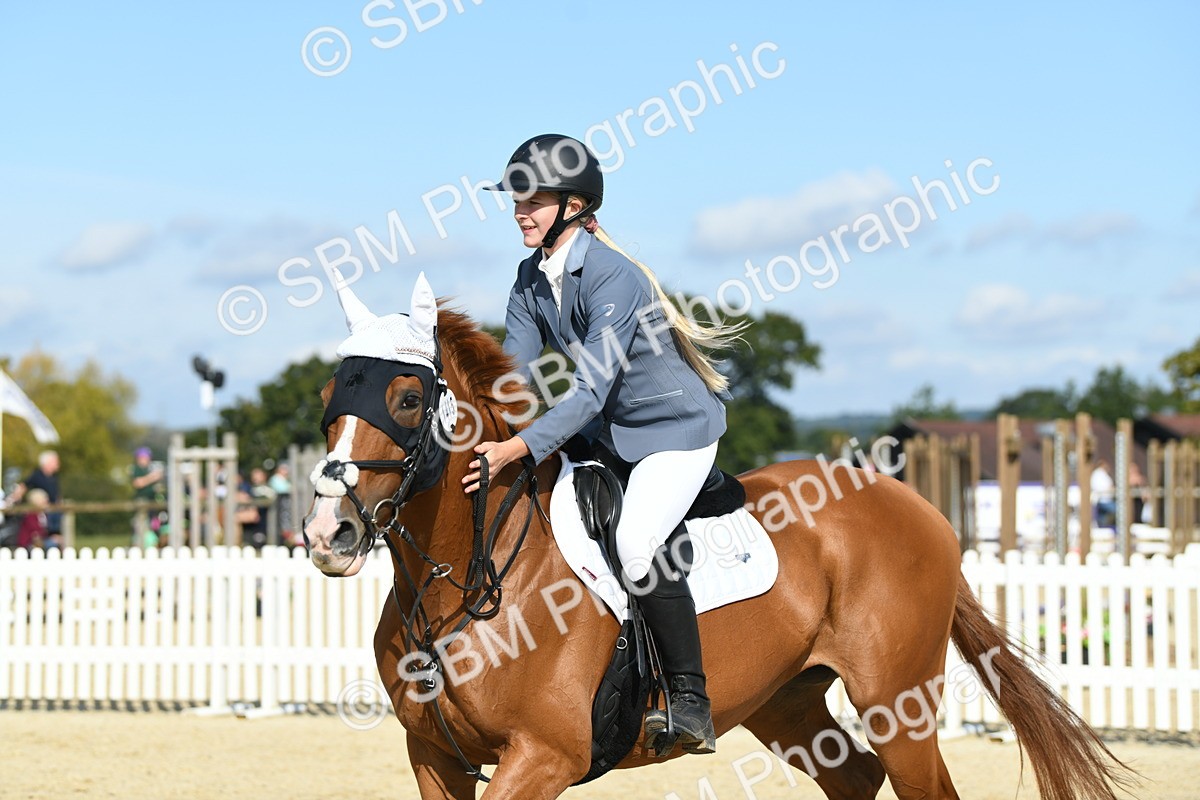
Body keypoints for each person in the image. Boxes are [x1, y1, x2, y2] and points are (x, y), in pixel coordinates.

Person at [461, 134, 743, 756]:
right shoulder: (530, 278)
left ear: (573, 204)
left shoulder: (614, 276)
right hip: (611, 434)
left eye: (531, 199)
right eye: (515, 199)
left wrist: (518, 450)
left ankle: (691, 702)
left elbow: (588, 390)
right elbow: (513, 375)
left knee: (637, 542)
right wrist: (470, 424)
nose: (519, 211)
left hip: (673, 433)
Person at [10, 451, 62, 547]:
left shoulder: (53, 477)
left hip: (51, 510)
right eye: (55, 461)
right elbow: (24, 485)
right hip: (41, 510)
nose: (58, 464)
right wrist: (15, 497)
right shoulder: (37, 475)